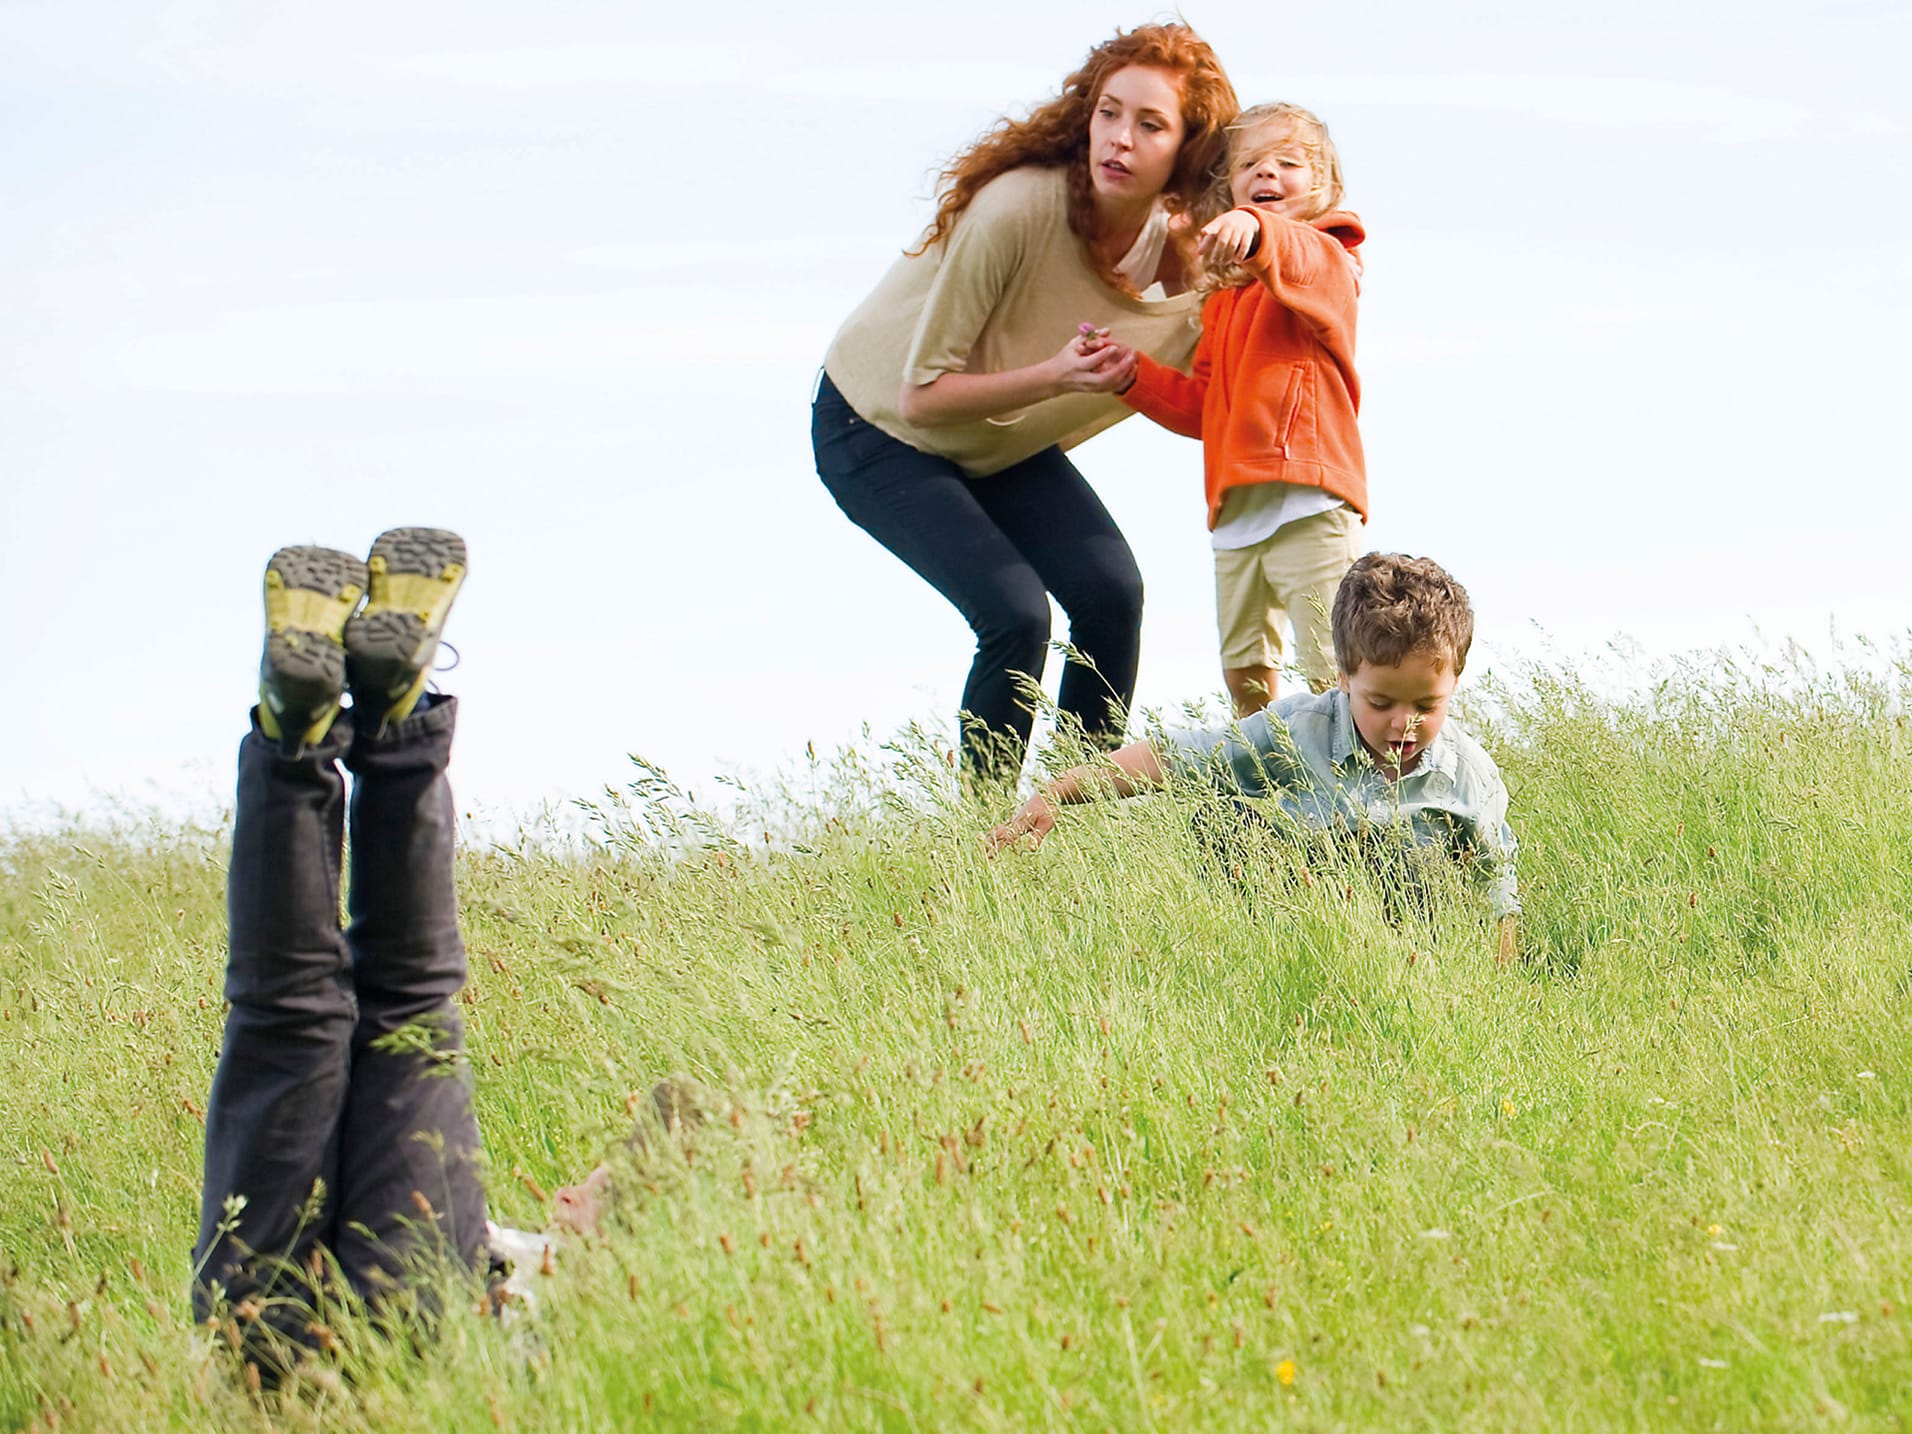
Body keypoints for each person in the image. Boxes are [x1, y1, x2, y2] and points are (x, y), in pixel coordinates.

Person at [813, 23, 1239, 783]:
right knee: (1017, 615)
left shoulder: (1181, 250)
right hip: (873, 426)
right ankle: (990, 834)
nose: (1119, 139)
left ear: (1188, 150)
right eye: (1108, 113)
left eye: (1150, 125)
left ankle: (1074, 815)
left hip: (992, 439)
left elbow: (1222, 368)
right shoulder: (1017, 208)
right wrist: (1058, 376)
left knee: (1111, 594)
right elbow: (921, 396)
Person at [192, 528, 488, 1372]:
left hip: (415, 1353)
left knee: (412, 1004)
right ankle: (293, 735)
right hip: (270, 1370)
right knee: (286, 1019)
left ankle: (398, 720)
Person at [989, 553, 1521, 962]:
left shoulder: (1467, 774)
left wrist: (1496, 992)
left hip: (1413, 928)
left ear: (1454, 682)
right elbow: (1180, 756)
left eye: (1427, 705)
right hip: (1312, 911)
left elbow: (1498, 895)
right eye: (1379, 703)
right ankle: (1261, 952)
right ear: (1343, 678)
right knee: (1220, 808)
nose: (1403, 722)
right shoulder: (1302, 728)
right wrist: (1059, 790)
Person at [1096, 103, 1367, 715]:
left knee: (1333, 663)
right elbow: (1202, 407)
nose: (1267, 174)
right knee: (1244, 669)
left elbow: (1299, 257)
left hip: (1311, 498)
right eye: (1250, 164)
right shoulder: (1223, 300)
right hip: (1238, 509)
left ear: (1322, 184)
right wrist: (1131, 375)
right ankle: (1265, 791)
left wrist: (1257, 228)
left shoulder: (1332, 254)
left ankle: (1361, 789)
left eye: (1288, 163)